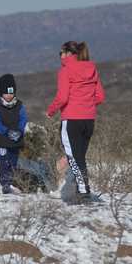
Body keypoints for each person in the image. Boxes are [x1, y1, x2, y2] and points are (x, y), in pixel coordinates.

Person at [46, 41, 105, 203]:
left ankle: (83, 191)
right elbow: (100, 96)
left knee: (73, 157)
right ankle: (80, 190)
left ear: (68, 54)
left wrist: (50, 111)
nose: (60, 56)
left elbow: (62, 97)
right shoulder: (92, 68)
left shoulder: (65, 70)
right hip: (89, 120)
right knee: (79, 157)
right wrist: (86, 105)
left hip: (71, 119)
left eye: (61, 53)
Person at [0, 74, 28, 194]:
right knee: (4, 163)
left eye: (11, 93)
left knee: (13, 162)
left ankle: (13, 182)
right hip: (2, 141)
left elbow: (23, 119)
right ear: (1, 93)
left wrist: (19, 130)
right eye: (6, 93)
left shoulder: (19, 105)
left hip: (16, 140)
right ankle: (5, 184)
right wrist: (6, 131)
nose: (9, 96)